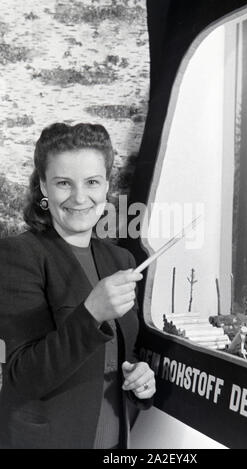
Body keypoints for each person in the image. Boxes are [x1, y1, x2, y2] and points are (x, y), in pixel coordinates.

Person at [0, 122, 156, 449]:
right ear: (43, 186)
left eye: (92, 182)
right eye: (63, 183)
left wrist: (140, 377)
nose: (80, 197)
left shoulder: (121, 260)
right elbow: (22, 378)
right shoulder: (17, 255)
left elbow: (120, 355)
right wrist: (91, 312)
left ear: (107, 186)